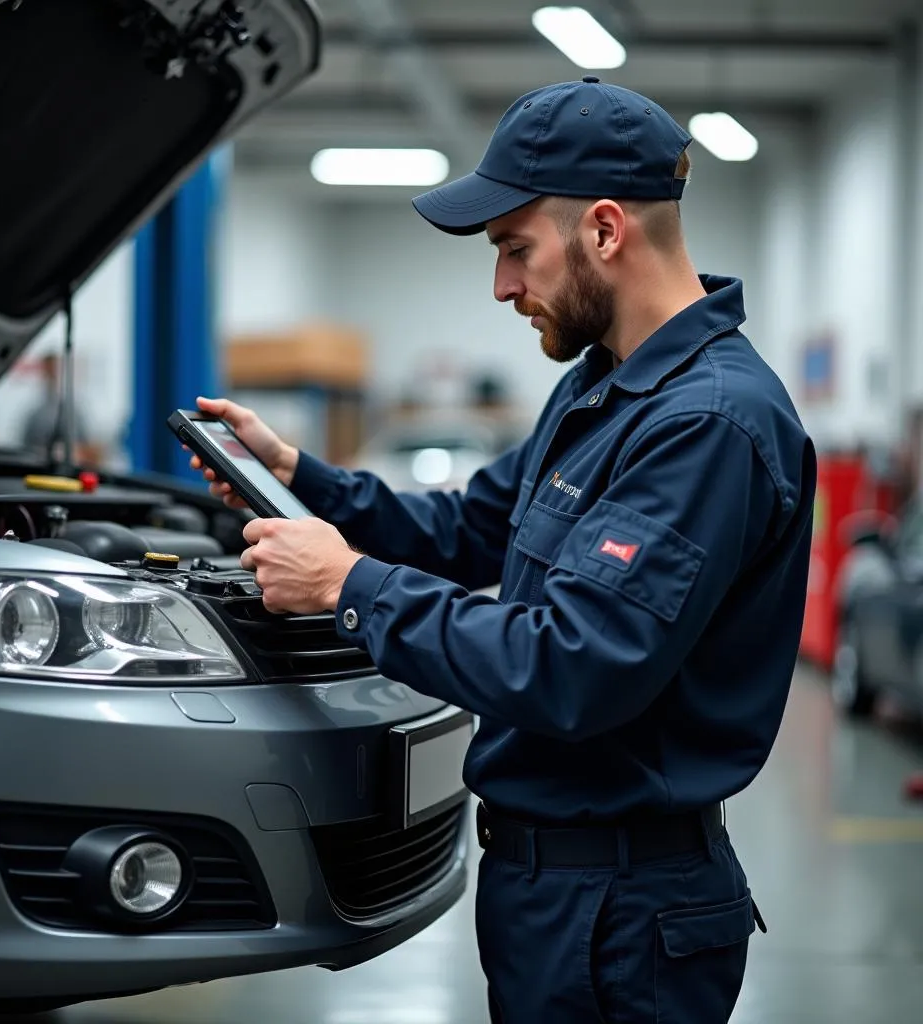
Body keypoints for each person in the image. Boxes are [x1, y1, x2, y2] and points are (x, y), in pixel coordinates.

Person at [190, 78, 816, 1023]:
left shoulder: (709, 425)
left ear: (605, 230)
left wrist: (348, 586)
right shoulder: (605, 388)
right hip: (551, 891)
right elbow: (472, 529)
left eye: (515, 250)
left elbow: (571, 665)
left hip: (623, 913)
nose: (503, 286)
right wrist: (298, 479)